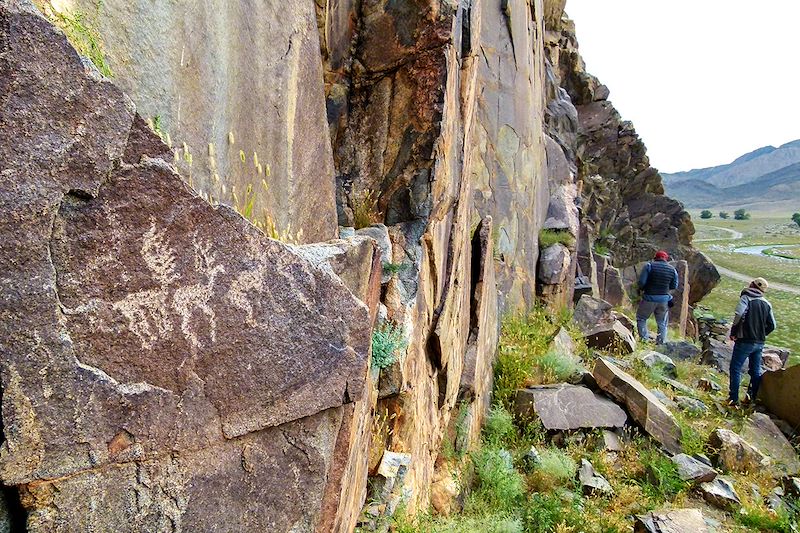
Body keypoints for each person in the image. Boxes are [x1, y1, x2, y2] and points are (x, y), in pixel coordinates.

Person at [727, 277, 776, 408]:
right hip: (759, 342)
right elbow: (773, 325)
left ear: (752, 285)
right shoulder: (767, 303)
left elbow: (738, 314)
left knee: (735, 368)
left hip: (744, 340)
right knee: (755, 371)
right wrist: (762, 333)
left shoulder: (746, 298)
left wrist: (733, 332)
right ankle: (752, 399)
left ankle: (733, 400)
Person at [636, 250, 679, 344]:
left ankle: (644, 340)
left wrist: (641, 289)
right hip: (664, 300)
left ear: (655, 258)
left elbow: (642, 282)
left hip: (649, 298)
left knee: (641, 318)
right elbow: (674, 286)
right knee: (662, 323)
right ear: (666, 259)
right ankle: (660, 343)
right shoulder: (672, 270)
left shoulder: (649, 266)